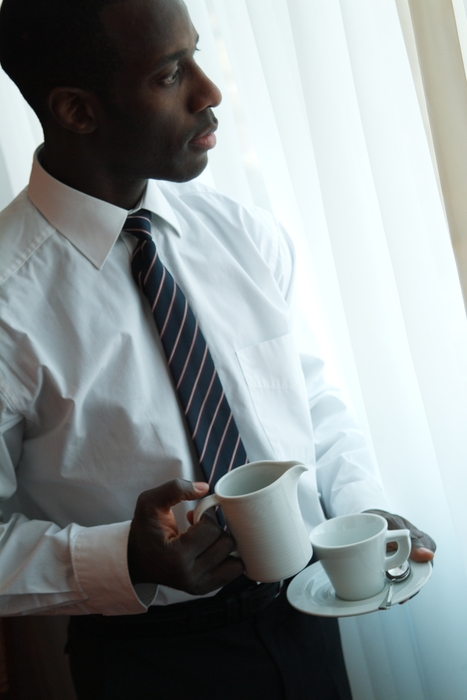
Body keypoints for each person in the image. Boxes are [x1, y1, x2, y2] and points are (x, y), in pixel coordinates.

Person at [0, 0, 435, 698]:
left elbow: (307, 395)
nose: (209, 92)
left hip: (305, 625)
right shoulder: (6, 303)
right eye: (172, 74)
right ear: (78, 111)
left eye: (196, 55)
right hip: (151, 664)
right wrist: (124, 557)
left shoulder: (241, 233)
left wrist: (360, 506)